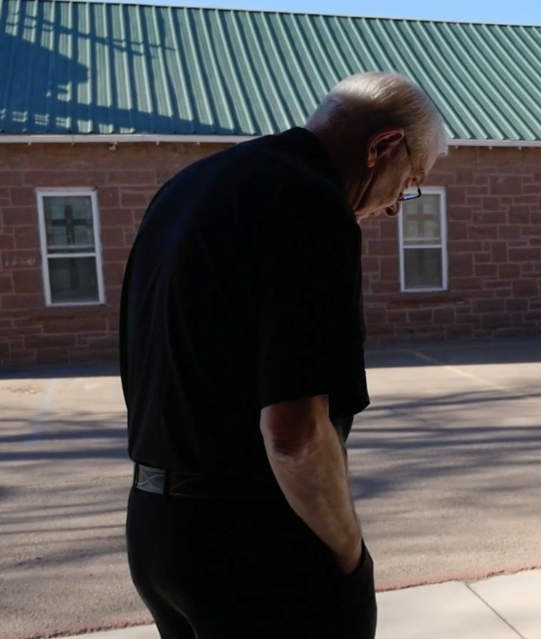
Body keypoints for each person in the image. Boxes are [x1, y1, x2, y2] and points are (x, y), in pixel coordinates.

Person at [120, 72, 447, 638]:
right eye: (409, 181)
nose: (396, 206)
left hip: (155, 532)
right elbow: (294, 435)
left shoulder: (188, 187)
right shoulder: (312, 206)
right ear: (382, 146)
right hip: (254, 546)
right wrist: (348, 550)